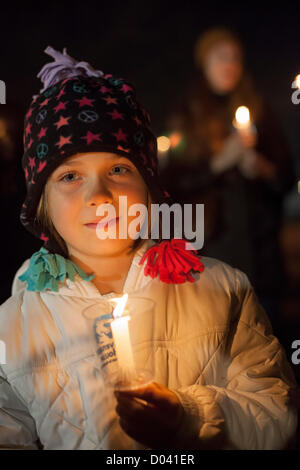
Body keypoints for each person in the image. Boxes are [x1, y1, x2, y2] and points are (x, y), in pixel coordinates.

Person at [0, 47, 298, 451]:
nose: (100, 196)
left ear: (150, 190)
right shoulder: (16, 324)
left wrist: (188, 417)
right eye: (70, 176)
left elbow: (276, 413)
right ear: (41, 207)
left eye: (119, 170)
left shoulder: (222, 291)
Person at [161, 28, 295, 332]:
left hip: (262, 252)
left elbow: (286, 177)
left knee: (268, 334)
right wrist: (221, 162)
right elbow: (174, 182)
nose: (229, 64)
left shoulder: (260, 112)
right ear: (204, 62)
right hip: (213, 248)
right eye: (221, 56)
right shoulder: (187, 115)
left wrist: (260, 167)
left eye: (235, 57)